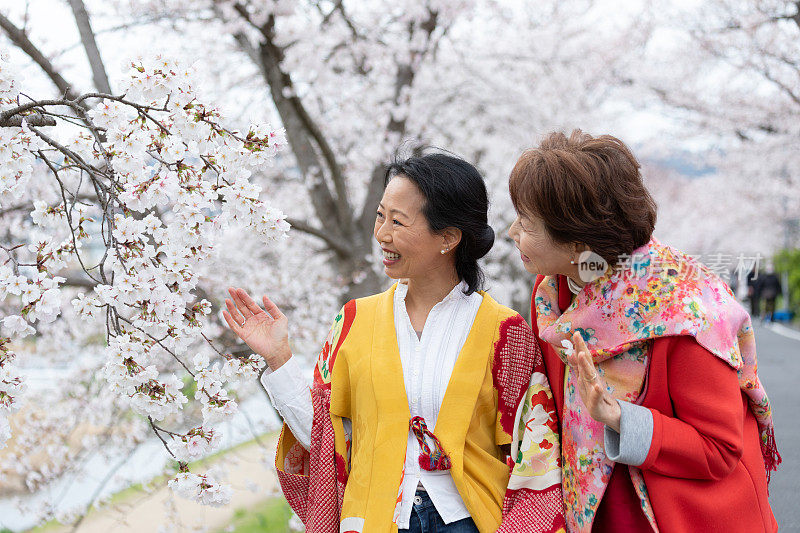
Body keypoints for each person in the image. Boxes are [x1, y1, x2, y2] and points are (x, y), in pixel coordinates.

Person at [223, 153, 564, 533]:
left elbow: (537, 453)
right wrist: (279, 358)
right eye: (380, 215)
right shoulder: (353, 321)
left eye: (398, 221)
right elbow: (324, 442)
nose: (381, 234)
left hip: (470, 519)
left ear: (449, 237)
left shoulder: (505, 331)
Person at [506, 131, 780, 532]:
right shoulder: (553, 290)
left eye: (526, 224)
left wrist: (620, 418)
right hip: (592, 513)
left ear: (578, 243)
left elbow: (720, 450)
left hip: (677, 516)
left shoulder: (685, 312)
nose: (513, 232)